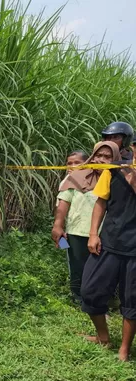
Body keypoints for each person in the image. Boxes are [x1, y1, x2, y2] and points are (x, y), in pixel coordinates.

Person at [79, 141, 136, 361]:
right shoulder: (113, 170)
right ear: (132, 147)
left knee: (132, 300)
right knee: (90, 290)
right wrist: (94, 234)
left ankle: (124, 350)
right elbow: (101, 202)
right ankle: (103, 337)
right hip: (109, 241)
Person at [51, 150, 100, 304]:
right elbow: (62, 205)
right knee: (77, 265)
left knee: (99, 267)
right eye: (69, 163)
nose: (72, 166)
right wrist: (58, 226)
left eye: (77, 163)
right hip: (76, 231)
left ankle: (100, 298)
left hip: (99, 232)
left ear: (88, 162)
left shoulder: (101, 178)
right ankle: (78, 297)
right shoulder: (69, 181)